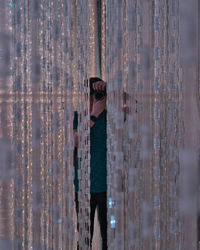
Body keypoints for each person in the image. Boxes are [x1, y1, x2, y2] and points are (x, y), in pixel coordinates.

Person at [73, 77, 107, 250]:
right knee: (85, 240)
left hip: (108, 188)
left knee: (110, 237)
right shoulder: (77, 116)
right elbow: (76, 140)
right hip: (84, 188)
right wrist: (94, 115)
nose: (94, 98)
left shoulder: (111, 115)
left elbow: (141, 111)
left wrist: (119, 94)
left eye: (98, 94)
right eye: (91, 95)